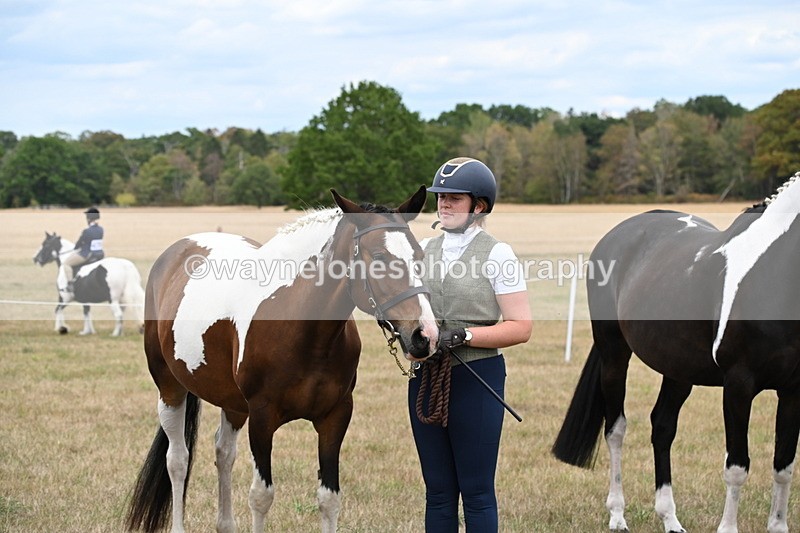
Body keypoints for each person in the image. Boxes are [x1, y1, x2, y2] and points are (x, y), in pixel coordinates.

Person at [408, 157, 532, 532]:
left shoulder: (498, 254)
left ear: (478, 206)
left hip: (478, 378)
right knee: (438, 491)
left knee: (476, 492)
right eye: (440, 197)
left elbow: (521, 326)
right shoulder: (423, 249)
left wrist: (464, 335)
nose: (444, 204)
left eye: (454, 198)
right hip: (427, 378)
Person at [60, 207, 105, 291]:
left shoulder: (87, 231)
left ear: (89, 218)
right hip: (99, 253)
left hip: (87, 254)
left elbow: (80, 243)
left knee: (66, 264)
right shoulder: (101, 229)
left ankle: (70, 285)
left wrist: (76, 247)